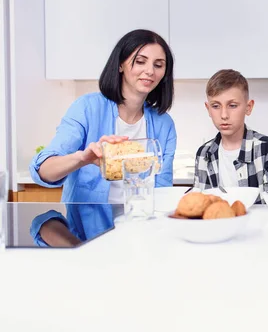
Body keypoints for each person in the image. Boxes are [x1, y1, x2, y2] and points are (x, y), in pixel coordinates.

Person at [29, 29, 177, 246]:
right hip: (89, 237)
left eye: (158, 64)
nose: (149, 71)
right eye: (140, 61)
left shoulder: (164, 124)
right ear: (121, 65)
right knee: (43, 222)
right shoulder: (87, 108)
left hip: (144, 234)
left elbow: (163, 194)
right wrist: (83, 158)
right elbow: (42, 170)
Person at [194, 69, 268, 197]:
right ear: (208, 109)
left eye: (232, 105)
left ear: (248, 108)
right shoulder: (203, 154)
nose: (224, 115)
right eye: (216, 106)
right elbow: (201, 203)